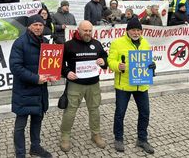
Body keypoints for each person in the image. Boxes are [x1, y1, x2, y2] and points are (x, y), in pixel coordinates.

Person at [108, 17, 155, 154]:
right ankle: (118, 138)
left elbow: (148, 61)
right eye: (133, 30)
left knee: (145, 112)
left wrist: (152, 65)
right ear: (127, 30)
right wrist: (118, 65)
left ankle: (142, 139)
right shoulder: (117, 43)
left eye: (138, 30)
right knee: (120, 113)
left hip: (141, 85)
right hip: (124, 85)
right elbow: (110, 61)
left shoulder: (145, 43)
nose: (136, 33)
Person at [9, 14, 54, 158]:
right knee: (20, 125)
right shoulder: (19, 43)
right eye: (35, 24)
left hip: (40, 90)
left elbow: (50, 64)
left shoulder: (46, 42)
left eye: (41, 25)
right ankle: (20, 153)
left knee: (37, 121)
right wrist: (36, 79)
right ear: (29, 26)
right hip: (24, 91)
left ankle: (35, 147)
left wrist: (52, 74)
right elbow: (15, 67)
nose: (38, 27)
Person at [60, 20, 108, 152]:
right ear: (78, 30)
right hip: (76, 84)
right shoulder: (69, 45)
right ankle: (65, 136)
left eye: (89, 31)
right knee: (70, 112)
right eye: (85, 30)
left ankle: (95, 134)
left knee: (94, 110)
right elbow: (60, 62)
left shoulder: (96, 44)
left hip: (93, 84)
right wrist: (67, 72)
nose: (87, 33)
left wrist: (104, 61)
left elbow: (104, 57)